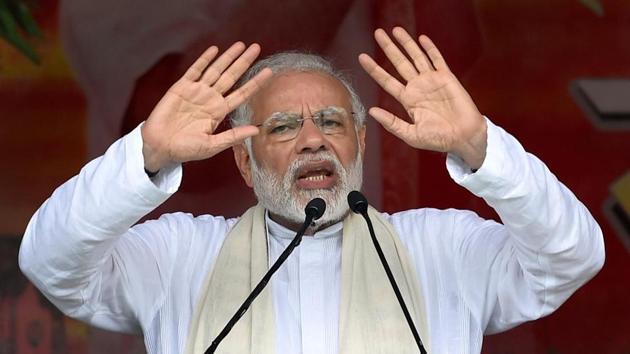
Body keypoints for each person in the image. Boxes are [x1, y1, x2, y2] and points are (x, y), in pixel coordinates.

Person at [19, 27, 604, 354]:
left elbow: (571, 258)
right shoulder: (180, 256)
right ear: (244, 167)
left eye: (331, 122)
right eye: (281, 127)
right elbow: (50, 264)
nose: (311, 141)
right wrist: (144, 155)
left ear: (361, 147)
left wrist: (482, 149)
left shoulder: (441, 247)